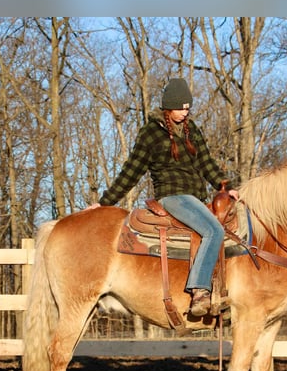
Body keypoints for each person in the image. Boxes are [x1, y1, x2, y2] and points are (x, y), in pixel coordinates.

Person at [87, 78, 237, 316]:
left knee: (226, 230)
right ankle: (199, 290)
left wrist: (225, 185)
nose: (185, 113)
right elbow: (131, 171)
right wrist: (106, 202)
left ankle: (222, 290)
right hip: (172, 196)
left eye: (188, 108)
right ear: (169, 107)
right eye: (181, 108)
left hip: (196, 198)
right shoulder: (151, 133)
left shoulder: (192, 130)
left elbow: (206, 162)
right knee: (213, 231)